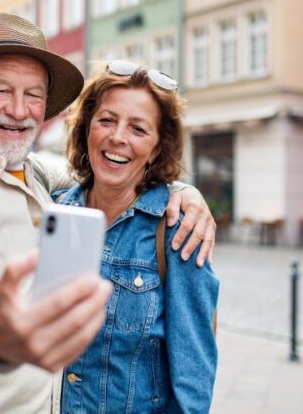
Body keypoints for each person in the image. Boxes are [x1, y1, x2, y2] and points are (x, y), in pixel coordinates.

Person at [0, 13, 215, 413]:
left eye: (33, 95)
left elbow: (102, 170)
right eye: (2, 90)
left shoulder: (34, 175)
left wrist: (180, 190)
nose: (19, 110)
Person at [55, 60, 219, 413]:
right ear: (86, 128)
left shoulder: (179, 231)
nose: (118, 137)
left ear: (157, 148)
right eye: (107, 120)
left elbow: (193, 380)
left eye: (139, 129)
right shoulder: (52, 214)